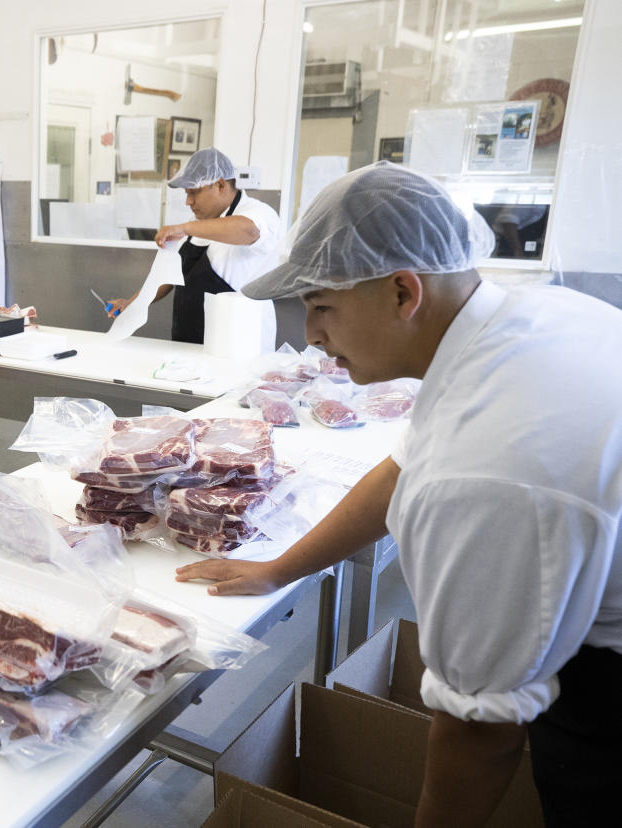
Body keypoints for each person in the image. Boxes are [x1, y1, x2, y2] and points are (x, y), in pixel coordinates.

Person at [176, 161, 622, 827]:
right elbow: (401, 469)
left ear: (403, 292)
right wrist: (278, 568)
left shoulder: (485, 470)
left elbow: (479, 733)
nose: (311, 337)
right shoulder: (523, 319)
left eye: (322, 306)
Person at [107, 147, 281, 344]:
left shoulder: (259, 213)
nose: (188, 201)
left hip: (239, 345)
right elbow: (170, 276)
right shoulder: (195, 225)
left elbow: (249, 231)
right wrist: (133, 303)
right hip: (189, 342)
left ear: (221, 185)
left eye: (194, 192)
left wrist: (186, 228)